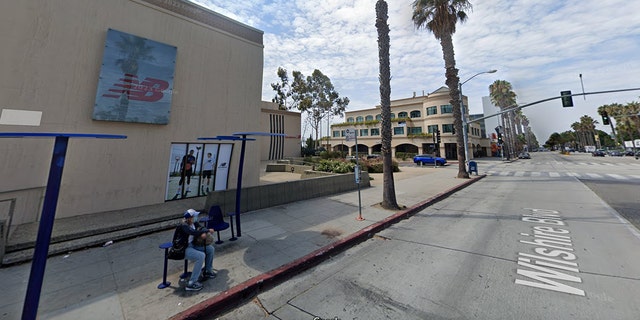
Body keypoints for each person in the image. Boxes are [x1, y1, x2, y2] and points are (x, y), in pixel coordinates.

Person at [175, 209, 216, 291]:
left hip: (193, 245)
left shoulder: (193, 223)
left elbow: (201, 227)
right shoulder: (183, 225)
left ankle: (208, 270)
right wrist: (206, 231)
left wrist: (204, 230)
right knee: (200, 256)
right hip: (184, 248)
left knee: (210, 249)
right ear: (190, 218)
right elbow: (193, 232)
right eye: (194, 216)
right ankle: (191, 283)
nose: (196, 218)